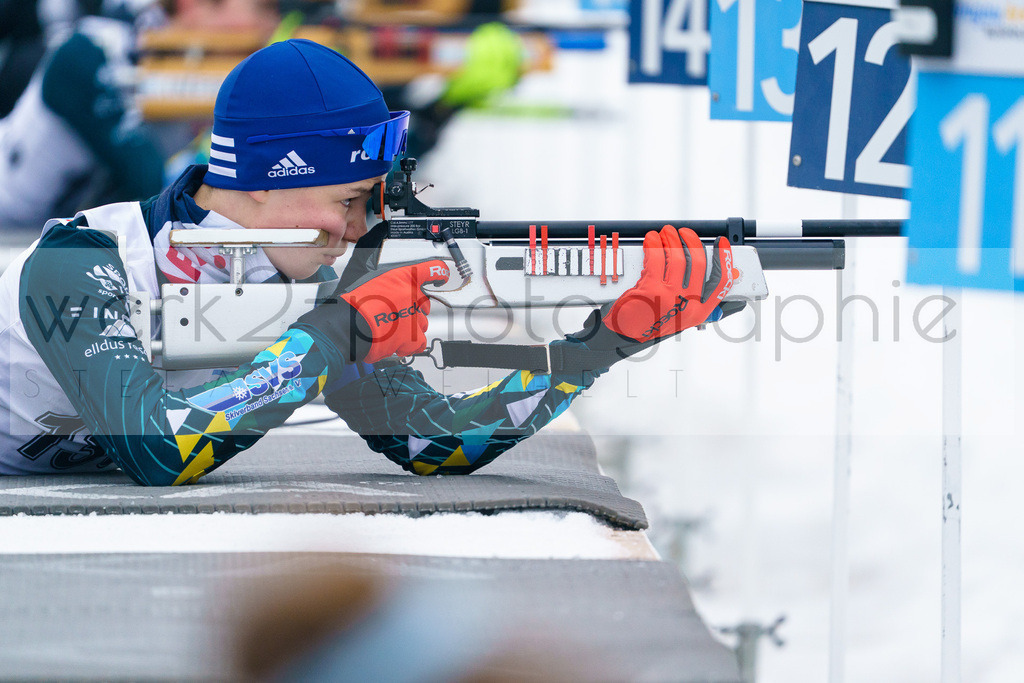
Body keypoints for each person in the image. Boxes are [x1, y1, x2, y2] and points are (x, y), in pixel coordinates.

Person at [0, 39, 733, 484]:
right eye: (349, 201)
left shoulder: (306, 286)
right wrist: (333, 336)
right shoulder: (84, 260)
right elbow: (156, 448)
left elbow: (432, 441)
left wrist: (602, 342)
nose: (360, 230)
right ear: (268, 177)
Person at [0, 0, 281, 229]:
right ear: (193, 5)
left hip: (52, 230)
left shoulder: (187, 63)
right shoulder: (90, 51)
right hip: (14, 224)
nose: (271, 25)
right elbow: (150, 184)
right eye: (263, 9)